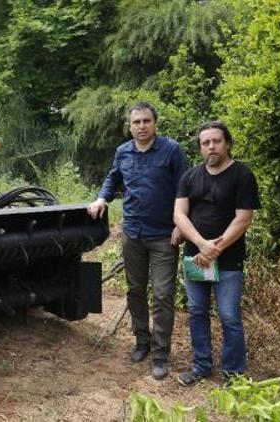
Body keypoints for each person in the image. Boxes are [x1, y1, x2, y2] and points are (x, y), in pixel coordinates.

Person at [87, 102, 189, 380]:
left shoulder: (172, 151)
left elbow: (186, 188)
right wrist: (101, 198)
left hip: (164, 236)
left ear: (155, 123)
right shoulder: (123, 152)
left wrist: (181, 225)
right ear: (130, 126)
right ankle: (142, 341)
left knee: (163, 294)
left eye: (146, 121)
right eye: (136, 123)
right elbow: (112, 179)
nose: (141, 127)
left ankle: (160, 354)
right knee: (135, 290)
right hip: (132, 233)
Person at [173, 121, 260, 387]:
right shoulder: (190, 176)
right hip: (195, 256)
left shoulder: (242, 175)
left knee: (229, 315)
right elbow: (179, 214)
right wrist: (201, 244)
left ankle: (233, 373)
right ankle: (201, 366)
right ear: (200, 147)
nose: (211, 146)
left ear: (227, 143)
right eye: (205, 142)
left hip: (230, 260)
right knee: (197, 311)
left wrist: (215, 249)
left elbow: (243, 219)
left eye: (216, 141)